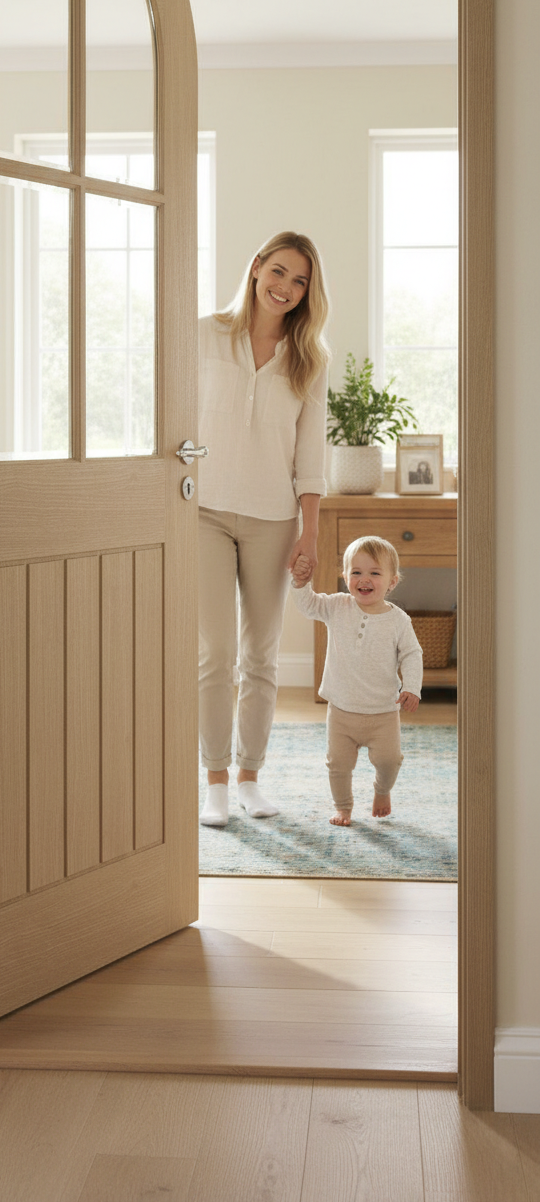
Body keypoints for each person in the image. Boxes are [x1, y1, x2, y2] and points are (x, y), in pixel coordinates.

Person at [198, 231, 330, 827]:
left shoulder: (309, 359)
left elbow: (311, 451)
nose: (285, 287)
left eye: (299, 280)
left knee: (261, 655)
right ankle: (216, 782)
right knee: (215, 653)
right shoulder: (203, 335)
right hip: (202, 511)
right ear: (255, 269)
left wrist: (311, 531)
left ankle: (251, 777)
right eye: (278, 272)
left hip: (274, 518)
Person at [290, 535, 422, 825]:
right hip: (341, 710)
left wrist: (412, 686)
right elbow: (308, 605)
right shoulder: (337, 607)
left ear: (392, 582)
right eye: (356, 572)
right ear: (345, 576)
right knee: (338, 764)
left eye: (375, 573)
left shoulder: (398, 620)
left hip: (383, 712)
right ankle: (343, 807)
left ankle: (382, 791)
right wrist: (301, 583)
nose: (365, 579)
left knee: (389, 761)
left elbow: (412, 653)